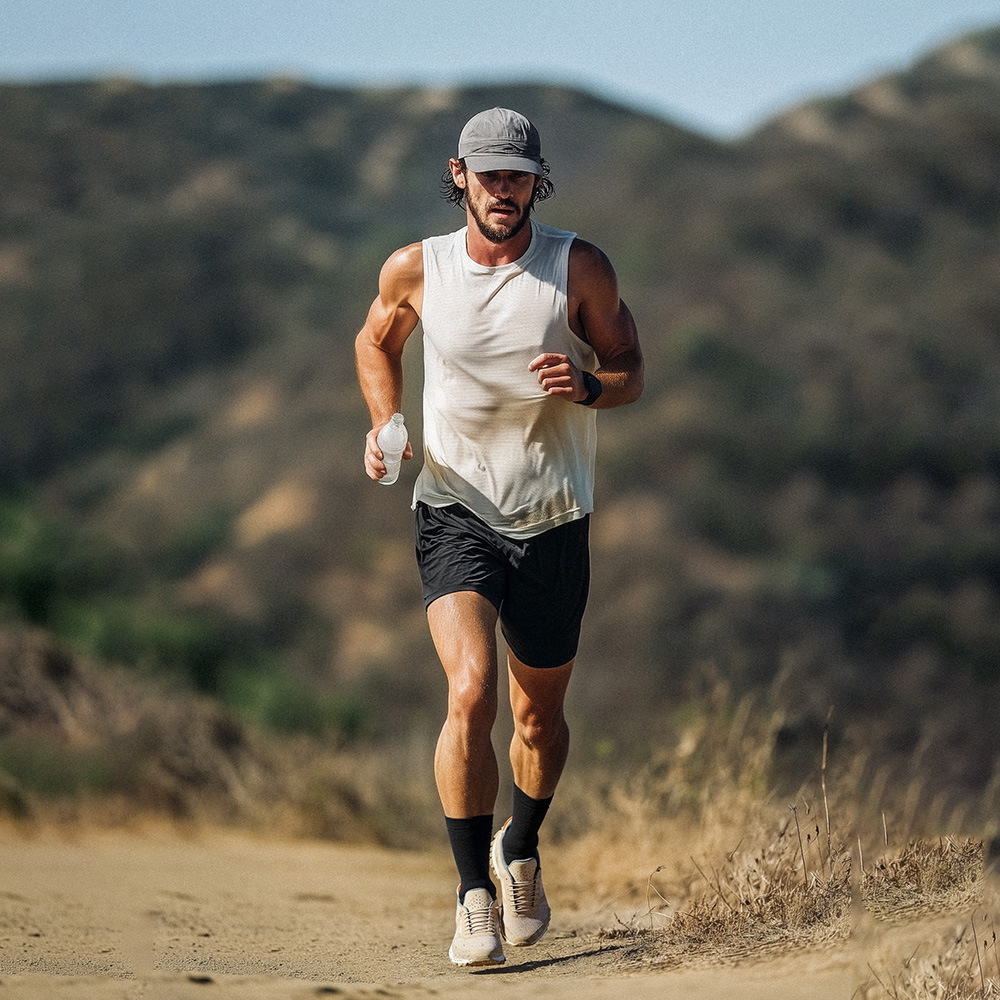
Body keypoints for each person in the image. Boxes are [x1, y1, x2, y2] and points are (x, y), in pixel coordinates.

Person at [354, 107, 643, 967]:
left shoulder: (576, 266)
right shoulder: (418, 268)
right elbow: (374, 345)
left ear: (536, 180)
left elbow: (630, 369)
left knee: (537, 717)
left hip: (554, 516)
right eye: (489, 176)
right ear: (460, 177)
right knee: (471, 691)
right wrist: (382, 424)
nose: (504, 190)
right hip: (454, 510)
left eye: (518, 176)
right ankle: (471, 893)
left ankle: (519, 849)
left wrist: (589, 386)